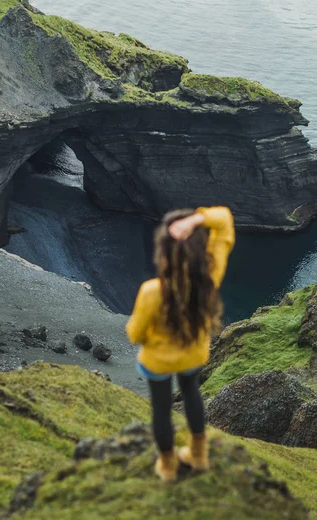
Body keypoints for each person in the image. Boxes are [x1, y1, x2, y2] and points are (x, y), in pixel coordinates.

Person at [126, 206, 235, 482]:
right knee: (192, 395)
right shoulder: (209, 277)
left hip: (158, 362)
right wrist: (196, 220)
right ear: (199, 248)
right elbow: (224, 221)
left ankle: (167, 466)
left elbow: (135, 334)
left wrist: (152, 337)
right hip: (193, 355)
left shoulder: (152, 291)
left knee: (161, 410)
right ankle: (198, 456)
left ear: (163, 249)